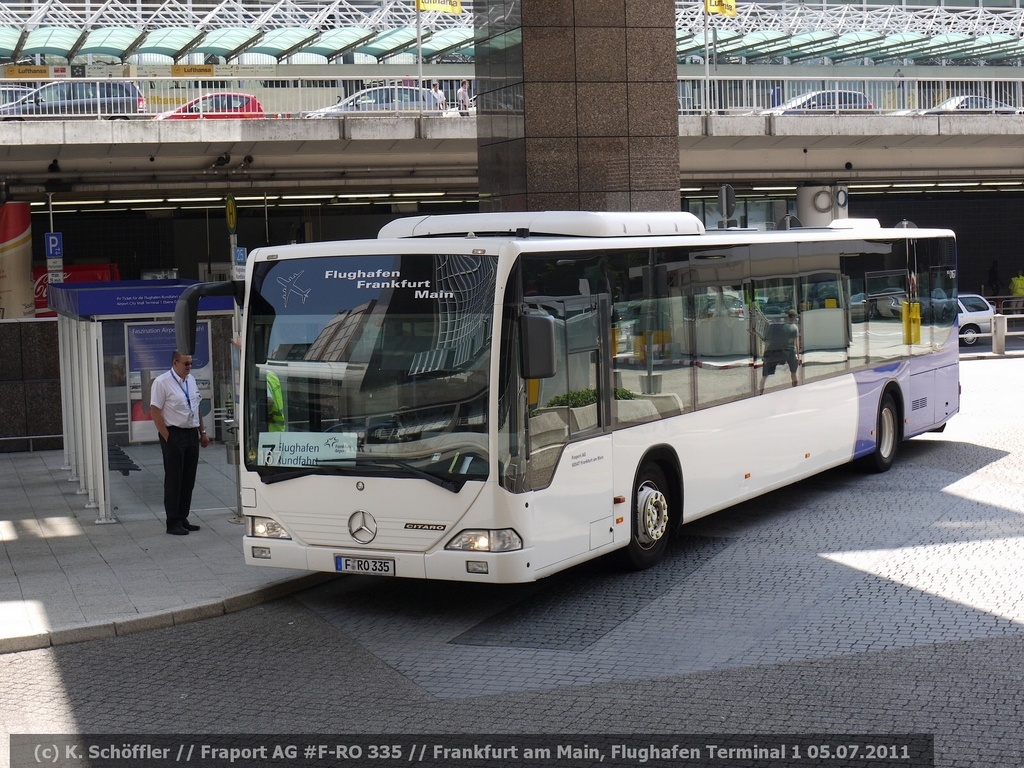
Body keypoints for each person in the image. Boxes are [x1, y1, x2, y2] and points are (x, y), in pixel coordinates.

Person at [150, 350, 210, 535]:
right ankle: (173, 521)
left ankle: (183, 516)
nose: (189, 367)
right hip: (174, 433)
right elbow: (154, 411)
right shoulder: (162, 382)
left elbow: (196, 406)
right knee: (174, 478)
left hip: (191, 432)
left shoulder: (190, 380)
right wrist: (167, 436)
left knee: (188, 478)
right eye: (186, 364)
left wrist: (202, 431)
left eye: (191, 363)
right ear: (175, 363)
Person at [760, 309, 800, 395]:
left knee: (764, 375)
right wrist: (798, 356)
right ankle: (795, 390)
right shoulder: (794, 328)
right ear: (793, 317)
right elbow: (796, 343)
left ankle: (760, 392)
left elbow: (768, 342)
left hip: (775, 352)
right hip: (790, 352)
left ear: (787, 317)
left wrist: (765, 354)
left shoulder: (779, 327)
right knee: (793, 372)